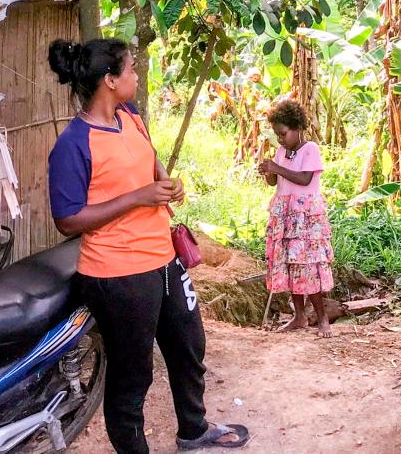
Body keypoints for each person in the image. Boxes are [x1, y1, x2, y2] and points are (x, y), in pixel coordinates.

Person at [46, 38, 249, 453]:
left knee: (188, 345)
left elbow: (149, 163)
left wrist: (166, 182)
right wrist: (137, 198)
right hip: (117, 273)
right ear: (109, 80)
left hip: (163, 257)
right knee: (132, 375)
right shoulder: (73, 144)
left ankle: (193, 430)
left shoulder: (131, 117)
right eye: (131, 70)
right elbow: (67, 219)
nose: (137, 76)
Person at [258, 99, 335, 338]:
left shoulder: (309, 149)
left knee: (309, 266)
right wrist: (268, 171)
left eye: (283, 133)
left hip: (306, 218)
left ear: (297, 128)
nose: (280, 139)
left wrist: (278, 168)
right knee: (291, 265)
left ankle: (322, 318)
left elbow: (304, 179)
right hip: (285, 215)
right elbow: (276, 182)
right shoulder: (282, 151)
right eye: (277, 135)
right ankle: (299, 316)